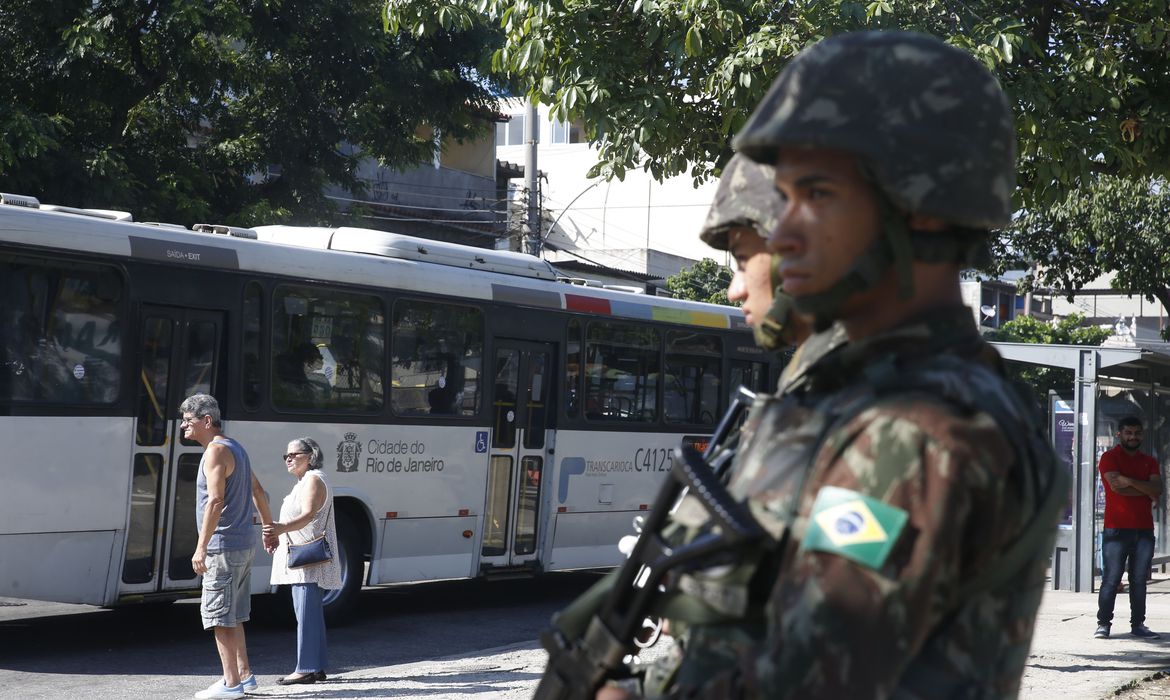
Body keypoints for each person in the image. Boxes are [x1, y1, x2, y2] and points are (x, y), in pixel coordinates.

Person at [598, 30, 1066, 700]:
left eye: (817, 194)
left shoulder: (916, 431)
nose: (783, 233)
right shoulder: (871, 400)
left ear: (921, 213)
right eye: (783, 197)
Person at [182, 393, 272, 700]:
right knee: (233, 615)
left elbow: (216, 501)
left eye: (188, 420)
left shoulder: (215, 452)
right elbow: (259, 490)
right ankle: (244, 677)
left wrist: (200, 547)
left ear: (207, 421)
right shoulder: (236, 447)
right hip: (243, 543)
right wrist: (268, 526)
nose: (183, 426)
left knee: (219, 617)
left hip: (223, 547)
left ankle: (230, 683)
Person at [262, 437, 342, 684]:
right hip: (303, 558)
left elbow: (308, 515)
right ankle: (316, 666)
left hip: (307, 560)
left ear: (311, 455)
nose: (288, 459)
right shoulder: (305, 481)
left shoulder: (313, 480)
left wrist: (280, 528)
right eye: (286, 455)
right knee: (310, 614)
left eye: (294, 454)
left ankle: (306, 667)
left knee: (306, 614)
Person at [1095, 416, 1163, 639]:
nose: (1133, 437)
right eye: (1128, 433)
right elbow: (1116, 488)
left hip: (1144, 530)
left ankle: (1138, 625)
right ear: (1119, 434)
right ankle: (1103, 624)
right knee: (1112, 579)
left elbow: (1158, 489)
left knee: (1139, 579)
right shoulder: (1109, 457)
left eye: (1137, 433)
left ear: (1142, 434)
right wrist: (1146, 489)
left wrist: (1130, 481)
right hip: (1116, 529)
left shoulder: (1149, 461)